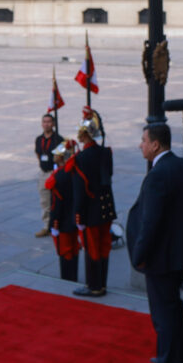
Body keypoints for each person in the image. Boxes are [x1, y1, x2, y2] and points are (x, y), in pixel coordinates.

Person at [127, 122, 183, 363]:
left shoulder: (157, 175)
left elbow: (151, 222)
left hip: (162, 254)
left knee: (162, 310)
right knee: (174, 303)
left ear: (155, 145)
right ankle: (180, 351)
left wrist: (139, 255)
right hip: (182, 250)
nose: (141, 145)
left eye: (144, 140)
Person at [71, 107, 116, 297]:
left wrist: (78, 214)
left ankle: (94, 286)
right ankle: (102, 284)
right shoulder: (106, 153)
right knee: (105, 246)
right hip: (106, 208)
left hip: (90, 211)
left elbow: (79, 190)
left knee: (92, 249)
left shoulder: (80, 158)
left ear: (84, 135)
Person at [46, 140, 79, 282]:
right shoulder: (75, 171)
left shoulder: (58, 176)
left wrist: (53, 223)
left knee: (65, 250)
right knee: (74, 248)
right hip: (75, 218)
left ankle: (67, 279)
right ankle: (74, 277)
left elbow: (55, 204)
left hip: (62, 220)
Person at [34, 114, 62, 237]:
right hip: (43, 173)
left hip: (54, 172)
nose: (46, 124)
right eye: (44, 122)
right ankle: (47, 226)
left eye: (49, 122)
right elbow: (38, 154)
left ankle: (58, 225)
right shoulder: (39, 139)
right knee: (44, 202)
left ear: (53, 124)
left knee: (56, 201)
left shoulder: (58, 139)